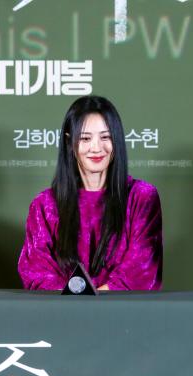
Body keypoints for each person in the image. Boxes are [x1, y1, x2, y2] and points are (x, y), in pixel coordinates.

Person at [18, 95, 162, 291]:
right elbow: (37, 270)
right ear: (70, 142)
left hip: (125, 313)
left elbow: (141, 268)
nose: (96, 148)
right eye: (85, 138)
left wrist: (92, 300)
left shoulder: (142, 197)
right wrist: (78, 303)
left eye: (106, 137)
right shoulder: (45, 204)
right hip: (62, 315)